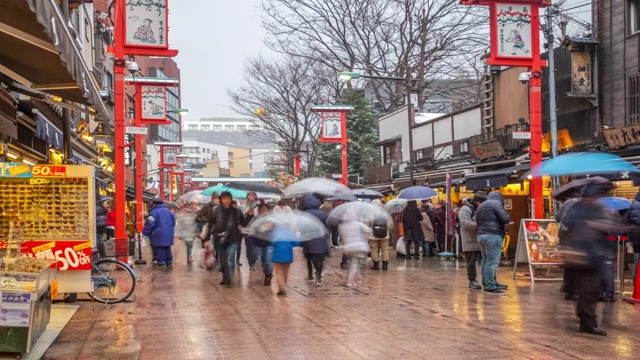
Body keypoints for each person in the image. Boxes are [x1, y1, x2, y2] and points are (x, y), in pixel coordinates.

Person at [561, 183, 627, 336]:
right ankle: (587, 322)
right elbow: (608, 227)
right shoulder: (596, 209)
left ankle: (585, 318)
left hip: (579, 254)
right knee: (589, 290)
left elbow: (564, 225)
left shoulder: (574, 208)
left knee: (585, 289)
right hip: (587, 255)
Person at [208, 191, 254, 285]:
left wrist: (249, 216)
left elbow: (243, 223)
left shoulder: (236, 211)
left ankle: (229, 276)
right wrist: (206, 239)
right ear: (221, 199)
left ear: (231, 199)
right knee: (223, 260)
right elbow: (210, 225)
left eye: (228, 198)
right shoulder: (215, 210)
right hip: (219, 239)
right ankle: (226, 276)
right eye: (224, 198)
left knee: (231, 256)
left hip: (234, 238)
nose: (226, 200)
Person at [475, 191, 511, 295]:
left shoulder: (481, 206)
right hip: (492, 235)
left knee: (485, 261)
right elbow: (505, 219)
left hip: (481, 235)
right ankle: (490, 286)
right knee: (492, 262)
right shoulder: (496, 203)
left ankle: (488, 282)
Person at [556, 193, 582, 301]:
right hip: (578, 236)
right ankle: (575, 290)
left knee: (568, 263)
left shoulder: (566, 203)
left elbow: (557, 218)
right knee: (578, 263)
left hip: (565, 236)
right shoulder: (584, 204)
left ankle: (568, 289)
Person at [299, 194, 329, 286]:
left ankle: (310, 274)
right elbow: (326, 227)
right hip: (320, 238)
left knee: (309, 257)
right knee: (319, 258)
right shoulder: (322, 213)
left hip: (308, 239)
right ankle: (318, 277)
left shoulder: (303, 215)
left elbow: (301, 228)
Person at [459, 193, 487, 290]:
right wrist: (482, 225)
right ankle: (472, 280)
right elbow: (466, 223)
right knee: (471, 261)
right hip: (470, 240)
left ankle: (489, 280)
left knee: (487, 261)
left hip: (482, 238)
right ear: (475, 202)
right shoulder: (465, 209)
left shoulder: (481, 208)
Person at [271, 206, 300, 295]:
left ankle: (282, 289)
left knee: (278, 272)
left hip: (277, 256)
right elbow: (296, 243)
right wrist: (297, 237)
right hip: (288, 256)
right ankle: (284, 286)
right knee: (285, 272)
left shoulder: (275, 233)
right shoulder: (290, 233)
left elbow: (271, 242)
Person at [340, 212, 371, 287]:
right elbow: (368, 231)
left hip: (348, 247)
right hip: (358, 246)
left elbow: (342, 237)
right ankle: (350, 281)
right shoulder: (359, 224)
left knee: (353, 263)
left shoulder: (342, 226)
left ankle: (357, 278)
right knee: (354, 263)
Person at [142, 198, 176, 268]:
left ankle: (162, 263)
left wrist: (145, 232)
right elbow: (173, 222)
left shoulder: (153, 212)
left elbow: (150, 224)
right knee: (167, 248)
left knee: (160, 248)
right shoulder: (169, 211)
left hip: (158, 234)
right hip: (168, 233)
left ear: (154, 204)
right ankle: (169, 262)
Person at [249, 203, 274, 285]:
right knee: (263, 260)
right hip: (258, 242)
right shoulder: (255, 219)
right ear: (259, 211)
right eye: (261, 209)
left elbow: (277, 229)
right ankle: (266, 271)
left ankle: (268, 275)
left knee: (268, 260)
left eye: (265, 209)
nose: (263, 211)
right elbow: (251, 230)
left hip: (269, 242)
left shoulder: (272, 219)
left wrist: (272, 228)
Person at [369, 199, 390, 270]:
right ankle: (385, 264)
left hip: (373, 235)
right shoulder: (385, 213)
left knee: (374, 249)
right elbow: (390, 224)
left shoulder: (370, 214)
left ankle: (376, 264)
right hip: (384, 234)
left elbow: (367, 224)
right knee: (385, 249)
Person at [626, 191, 640, 287]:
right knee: (637, 264)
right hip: (638, 239)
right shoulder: (637, 205)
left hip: (636, 238)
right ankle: (636, 287)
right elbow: (637, 220)